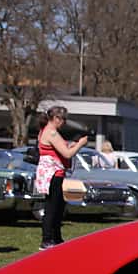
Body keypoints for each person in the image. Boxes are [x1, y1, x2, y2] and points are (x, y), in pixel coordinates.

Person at [33, 103, 89, 250]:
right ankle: (46, 240)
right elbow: (67, 154)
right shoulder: (51, 133)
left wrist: (71, 145)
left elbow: (61, 150)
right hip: (53, 174)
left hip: (53, 173)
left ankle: (56, 238)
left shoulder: (46, 131)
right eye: (63, 119)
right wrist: (80, 144)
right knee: (52, 207)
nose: (64, 122)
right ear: (56, 118)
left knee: (58, 207)